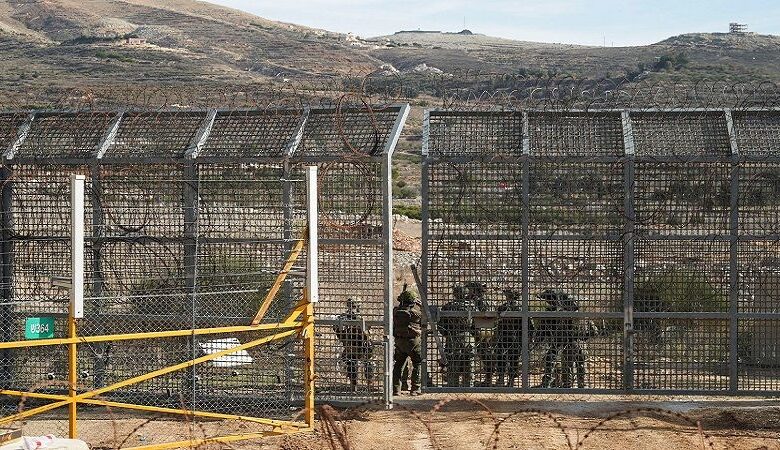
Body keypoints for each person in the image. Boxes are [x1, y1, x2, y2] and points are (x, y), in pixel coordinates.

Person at [438, 284, 475, 387]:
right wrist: (473, 334)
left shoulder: (448, 306)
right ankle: (468, 385)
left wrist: (446, 334)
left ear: (454, 294)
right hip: (468, 337)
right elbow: (477, 324)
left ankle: (453, 385)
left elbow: (440, 324)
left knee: (453, 362)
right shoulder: (472, 306)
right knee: (468, 362)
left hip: (452, 337)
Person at [333, 298, 374, 393]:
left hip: (360, 345)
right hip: (352, 345)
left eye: (354, 306)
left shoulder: (357, 318)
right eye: (353, 306)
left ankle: (367, 383)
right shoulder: (344, 318)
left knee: (366, 362)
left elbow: (367, 333)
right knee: (352, 362)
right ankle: (356, 384)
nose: (353, 309)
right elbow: (337, 330)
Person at [495, 288, 531, 387]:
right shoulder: (522, 307)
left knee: (502, 358)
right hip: (517, 337)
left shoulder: (503, 307)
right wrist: (528, 337)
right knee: (513, 359)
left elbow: (498, 320)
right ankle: (510, 381)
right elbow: (529, 324)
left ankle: (502, 379)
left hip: (505, 336)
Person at [392, 288, 423, 395]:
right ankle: (415, 388)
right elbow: (426, 316)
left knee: (398, 365)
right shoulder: (416, 313)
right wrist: (420, 305)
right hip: (414, 342)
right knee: (418, 363)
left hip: (399, 341)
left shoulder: (395, 311)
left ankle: (396, 389)